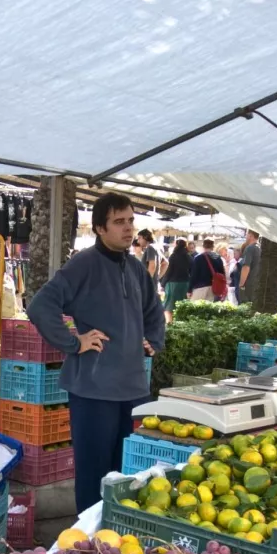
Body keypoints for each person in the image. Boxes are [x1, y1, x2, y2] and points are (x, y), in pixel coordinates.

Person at [28, 192, 164, 511]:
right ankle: (87, 545)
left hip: (133, 390)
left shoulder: (135, 267)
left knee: (128, 477)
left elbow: (153, 310)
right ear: (100, 228)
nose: (128, 229)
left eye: (131, 221)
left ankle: (115, 537)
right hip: (93, 390)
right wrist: (75, 342)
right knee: (93, 476)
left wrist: (152, 341)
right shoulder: (84, 263)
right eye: (119, 222)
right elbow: (41, 305)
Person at [187, 237, 226, 302]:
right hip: (213, 288)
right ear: (213, 246)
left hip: (200, 288)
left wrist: (189, 290)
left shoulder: (198, 258)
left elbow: (194, 275)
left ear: (203, 245)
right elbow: (222, 274)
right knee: (209, 310)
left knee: (195, 309)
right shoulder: (218, 258)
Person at [161, 236, 191, 315]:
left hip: (173, 284)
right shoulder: (188, 257)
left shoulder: (173, 256)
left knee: (169, 306)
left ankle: (169, 323)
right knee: (182, 305)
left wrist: (163, 284)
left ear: (176, 244)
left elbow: (169, 271)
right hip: (185, 283)